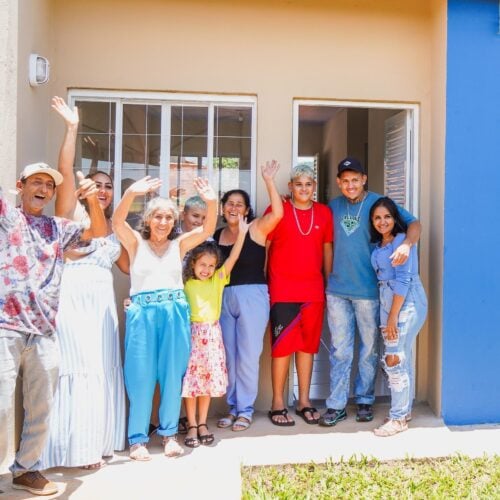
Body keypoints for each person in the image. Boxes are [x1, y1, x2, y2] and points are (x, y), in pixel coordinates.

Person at [0, 161, 106, 496]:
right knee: (1, 407)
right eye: (36, 182)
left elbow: (98, 233)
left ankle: (27, 470)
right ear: (21, 185)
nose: (43, 189)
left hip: (44, 330)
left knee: (41, 407)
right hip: (7, 326)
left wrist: (91, 200)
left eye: (49, 185)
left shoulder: (58, 228)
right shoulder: (7, 217)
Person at [40, 97, 128, 470]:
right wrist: (72, 128)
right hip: (73, 300)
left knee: (102, 366)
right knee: (78, 367)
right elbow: (64, 166)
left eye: (108, 186)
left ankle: (101, 441)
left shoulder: (111, 226)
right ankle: (72, 448)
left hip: (102, 306)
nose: (103, 190)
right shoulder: (68, 213)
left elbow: (125, 262)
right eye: (97, 184)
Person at [112, 175, 217, 461]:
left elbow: (208, 226)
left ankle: (169, 435)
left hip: (174, 313)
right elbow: (117, 223)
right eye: (157, 216)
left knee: (173, 376)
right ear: (148, 219)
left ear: (174, 222)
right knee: (140, 377)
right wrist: (132, 192)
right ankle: (138, 440)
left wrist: (210, 200)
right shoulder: (135, 243)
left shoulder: (179, 245)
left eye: (168, 217)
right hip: (142, 315)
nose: (162, 222)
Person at [320, 157, 421, 427]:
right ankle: (337, 404)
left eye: (356, 179)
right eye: (345, 180)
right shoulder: (333, 207)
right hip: (337, 291)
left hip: (368, 292)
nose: (350, 185)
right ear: (339, 182)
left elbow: (414, 224)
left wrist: (407, 246)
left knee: (368, 350)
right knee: (340, 350)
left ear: (364, 179)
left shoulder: (379, 204)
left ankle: (364, 400)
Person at [214, 160, 282, 432]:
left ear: (247, 210)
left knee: (248, 355)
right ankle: (232, 408)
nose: (233, 207)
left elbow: (277, 213)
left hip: (252, 295)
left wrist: (268, 180)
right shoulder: (216, 235)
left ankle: (245, 410)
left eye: (239, 204)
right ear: (223, 208)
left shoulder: (255, 228)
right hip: (223, 297)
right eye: (229, 203)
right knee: (228, 356)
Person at [266, 164, 333, 426]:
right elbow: (266, 246)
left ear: (314, 187)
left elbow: (327, 250)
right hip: (282, 289)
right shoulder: (277, 210)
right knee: (282, 347)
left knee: (307, 347)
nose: (303, 188)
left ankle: (304, 400)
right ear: (290, 187)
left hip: (313, 290)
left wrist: (328, 284)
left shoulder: (324, 213)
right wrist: (264, 284)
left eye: (308, 184)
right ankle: (277, 403)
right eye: (298, 184)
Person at [181, 215, 249, 447]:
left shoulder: (218, 280)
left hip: (211, 337)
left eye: (211, 266)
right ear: (193, 264)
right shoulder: (186, 283)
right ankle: (191, 425)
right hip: (190, 335)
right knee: (190, 383)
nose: (207, 270)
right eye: (202, 265)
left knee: (206, 382)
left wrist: (241, 234)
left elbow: (233, 257)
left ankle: (202, 423)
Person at [369, 197, 427, 436]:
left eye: (387, 217)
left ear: (395, 219)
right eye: (377, 218)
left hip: (405, 302)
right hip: (388, 301)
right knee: (401, 356)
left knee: (394, 358)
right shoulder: (380, 245)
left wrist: (392, 317)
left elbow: (403, 280)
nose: (383, 222)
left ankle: (398, 418)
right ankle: (403, 411)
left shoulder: (401, 241)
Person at [150, 194, 208, 436]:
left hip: (195, 314)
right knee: (159, 366)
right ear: (183, 214)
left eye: (204, 218)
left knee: (189, 368)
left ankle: (186, 419)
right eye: (195, 216)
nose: (199, 222)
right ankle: (155, 419)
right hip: (166, 311)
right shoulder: (169, 238)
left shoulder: (207, 242)